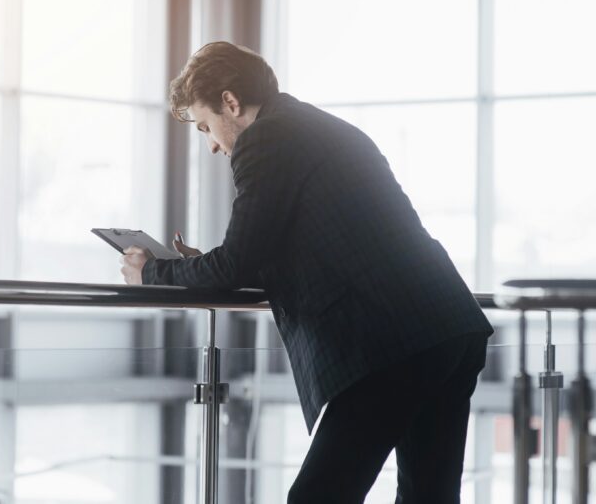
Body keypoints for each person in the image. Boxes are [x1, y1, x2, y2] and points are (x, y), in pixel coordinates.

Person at [119, 41, 494, 503]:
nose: (213, 144)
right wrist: (200, 266)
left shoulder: (266, 138)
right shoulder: (313, 126)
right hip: (446, 326)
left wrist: (151, 273)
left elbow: (236, 263)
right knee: (427, 496)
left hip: (390, 344)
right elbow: (294, 251)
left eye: (206, 126)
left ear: (230, 102)